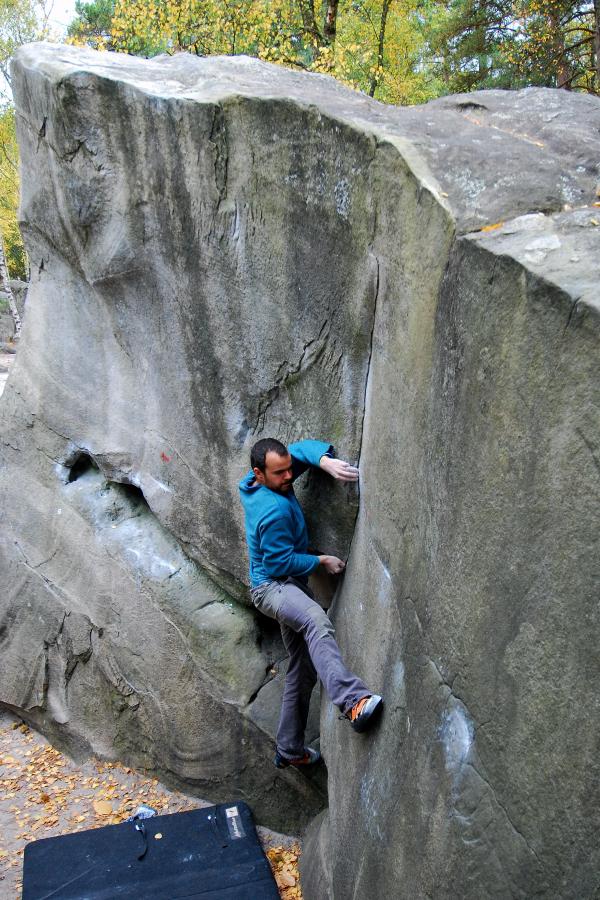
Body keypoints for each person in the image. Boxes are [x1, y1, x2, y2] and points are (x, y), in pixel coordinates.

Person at [239, 437, 383, 769]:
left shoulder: (256, 481)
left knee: (302, 667)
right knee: (315, 621)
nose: (289, 476)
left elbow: (299, 450)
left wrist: (322, 461)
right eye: (280, 473)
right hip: (274, 587)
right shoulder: (271, 511)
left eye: (290, 469)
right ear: (259, 474)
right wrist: (321, 561)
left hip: (285, 584)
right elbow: (278, 564)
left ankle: (289, 748)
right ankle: (353, 702)